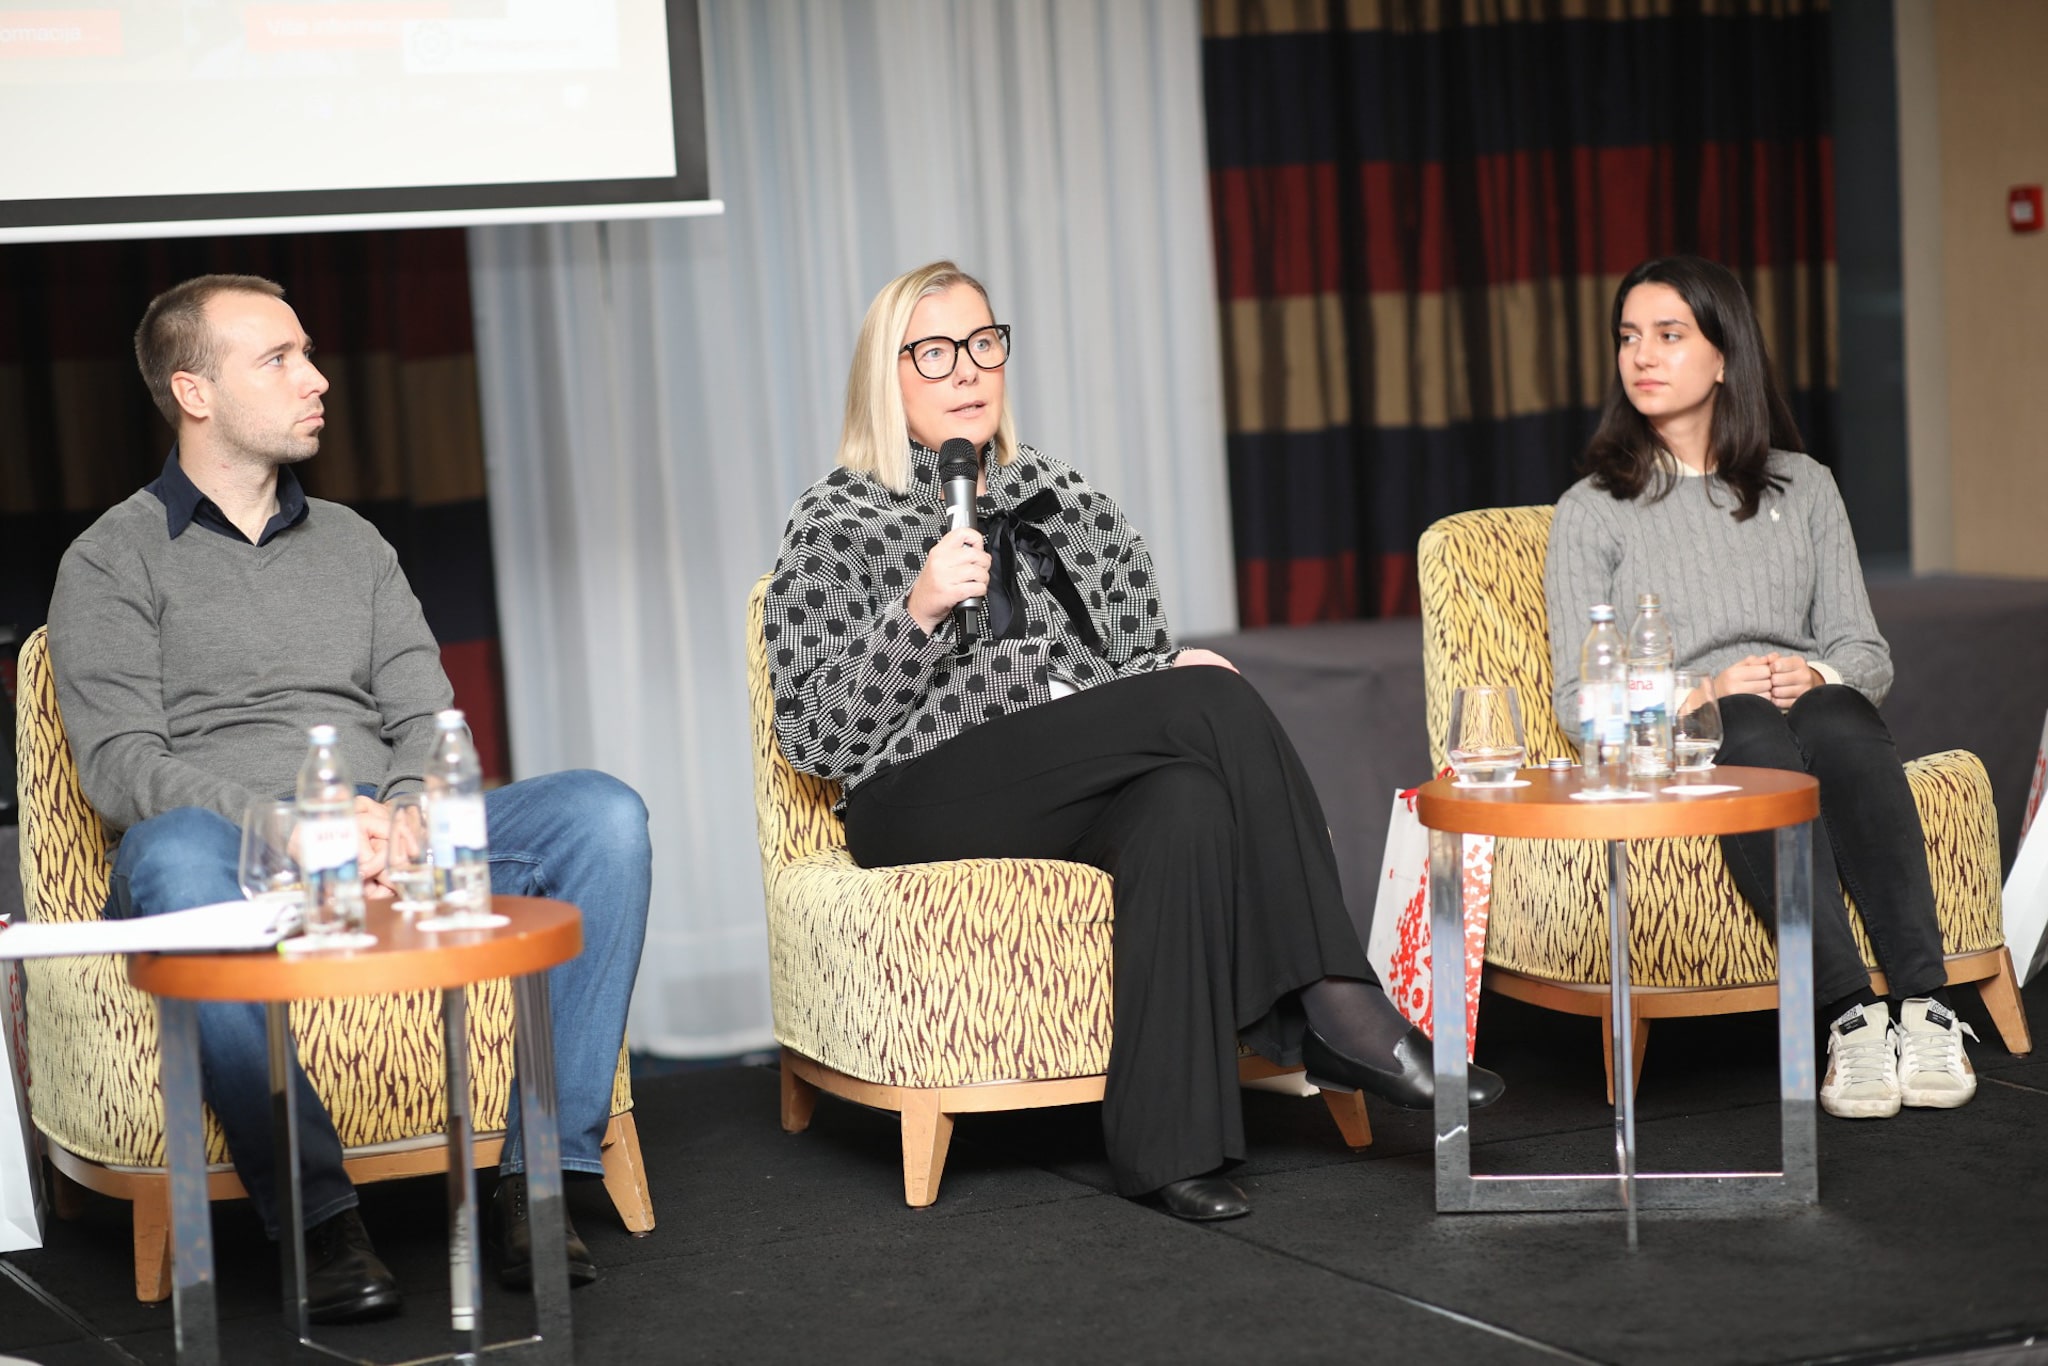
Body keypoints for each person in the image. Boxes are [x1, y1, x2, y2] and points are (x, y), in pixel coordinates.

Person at [766, 261, 1504, 1223]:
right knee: (1208, 705)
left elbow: (1125, 676)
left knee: (1185, 799)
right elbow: (814, 739)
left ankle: (1170, 1148)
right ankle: (1337, 1005)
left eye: (984, 344)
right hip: (915, 796)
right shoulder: (838, 518)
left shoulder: (1071, 502)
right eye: (935, 352)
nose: (966, 371)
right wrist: (915, 612)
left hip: (1062, 779)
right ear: (887, 373)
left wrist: (1161, 673)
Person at [46, 275, 652, 1322]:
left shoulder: (356, 544)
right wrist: (290, 824)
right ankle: (321, 1217)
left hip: (386, 835)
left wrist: (409, 811)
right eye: (277, 359)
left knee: (603, 813)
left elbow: (425, 712)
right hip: (233, 849)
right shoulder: (109, 559)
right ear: (192, 391)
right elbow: (121, 768)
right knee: (174, 859)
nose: (315, 378)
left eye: (309, 353)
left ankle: (539, 1184)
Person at [1545, 254, 1976, 1122]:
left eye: (1669, 335)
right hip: (1701, 735)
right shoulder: (1593, 507)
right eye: (1630, 337)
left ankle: (1929, 1008)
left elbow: (1864, 649)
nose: (1642, 357)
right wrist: (1707, 685)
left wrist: (1808, 669)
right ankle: (1847, 1015)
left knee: (1840, 711)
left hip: (1814, 715)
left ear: (1725, 356)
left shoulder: (1805, 486)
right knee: (1744, 721)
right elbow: (1575, 701)